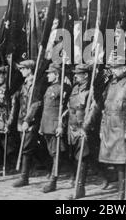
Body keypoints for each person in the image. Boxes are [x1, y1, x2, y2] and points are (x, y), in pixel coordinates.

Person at [85, 55, 126, 200]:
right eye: (112, 68)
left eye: (116, 68)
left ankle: (121, 195)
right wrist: (99, 128)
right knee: (115, 162)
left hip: (122, 127)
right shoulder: (110, 85)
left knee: (121, 162)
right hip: (109, 127)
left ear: (124, 68)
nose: (113, 71)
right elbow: (103, 106)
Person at [40, 62, 71, 193]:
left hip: (54, 125)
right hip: (46, 124)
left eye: (50, 73)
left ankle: (53, 181)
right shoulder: (50, 88)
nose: (48, 76)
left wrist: (61, 125)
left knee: (56, 153)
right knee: (53, 152)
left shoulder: (62, 89)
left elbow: (65, 109)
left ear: (57, 75)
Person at [11, 60, 43, 187]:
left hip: (30, 121)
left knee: (26, 149)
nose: (21, 71)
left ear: (30, 69)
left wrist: (27, 120)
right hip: (22, 120)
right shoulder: (24, 84)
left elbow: (35, 104)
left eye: (23, 69)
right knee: (28, 148)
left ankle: (24, 177)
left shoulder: (35, 84)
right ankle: (48, 167)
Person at [66, 64, 92, 199]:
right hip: (72, 127)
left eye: (78, 73)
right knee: (77, 157)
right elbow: (70, 106)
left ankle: (80, 188)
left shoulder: (91, 89)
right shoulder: (75, 88)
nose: (75, 75)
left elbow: (93, 110)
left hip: (83, 128)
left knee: (83, 157)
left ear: (86, 75)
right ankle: (105, 176)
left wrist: (85, 127)